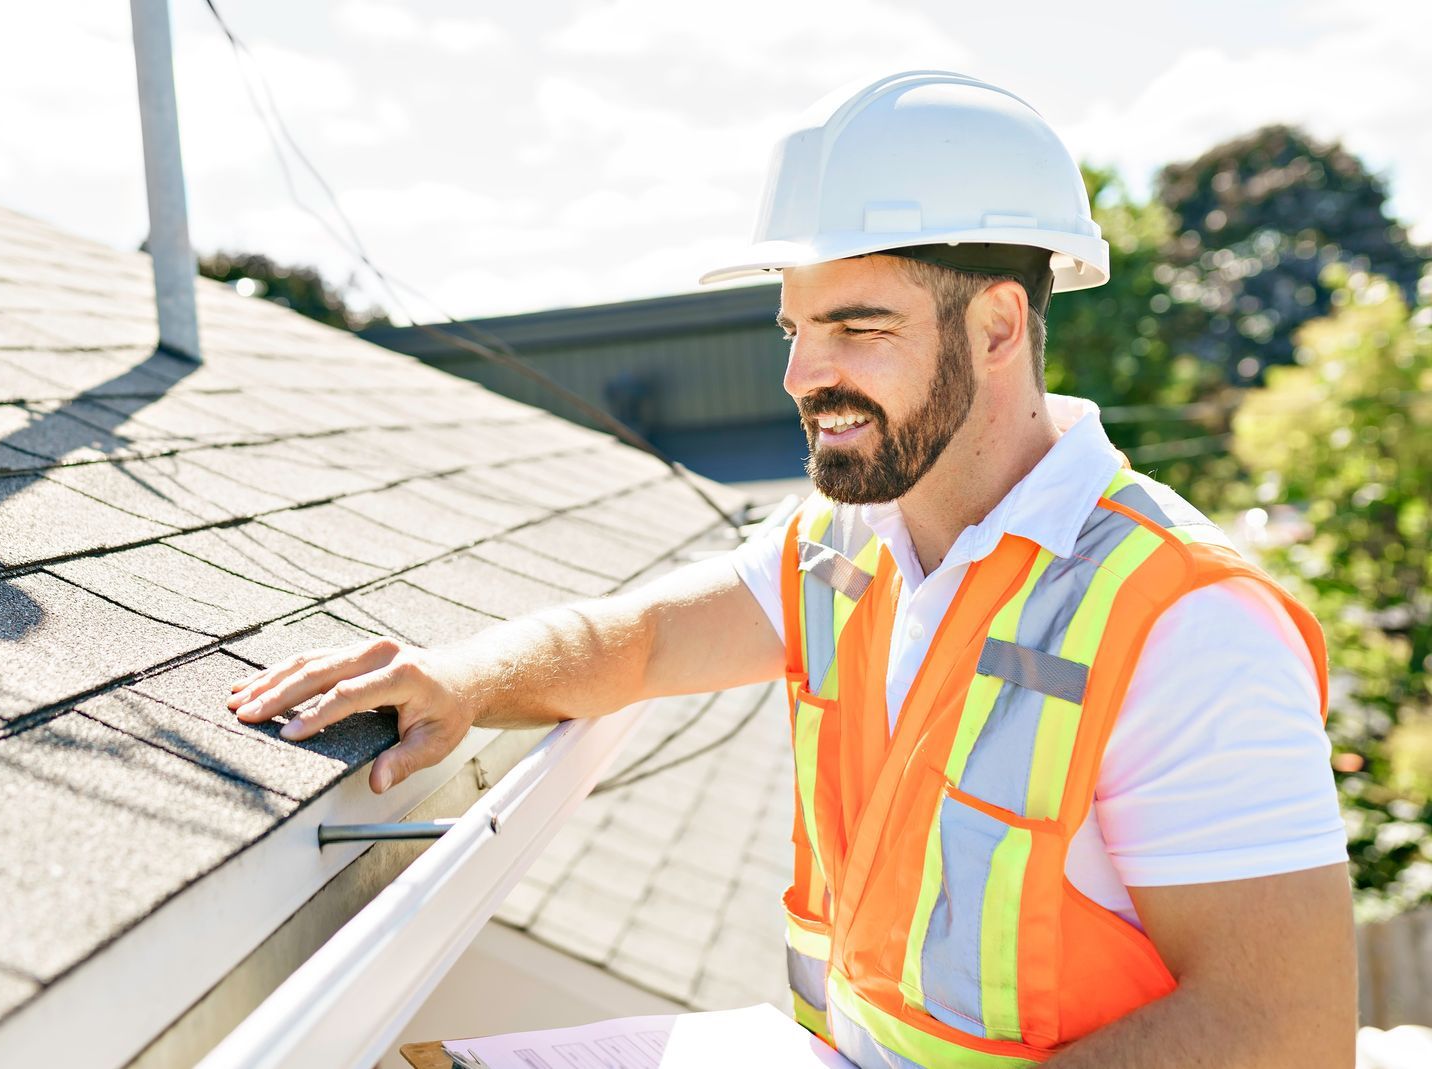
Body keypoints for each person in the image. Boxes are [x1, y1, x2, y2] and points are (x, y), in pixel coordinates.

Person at [227, 71, 1354, 1067]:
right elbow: (650, 639)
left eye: (858, 328)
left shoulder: (1185, 621)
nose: (805, 375)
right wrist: (461, 678)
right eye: (793, 329)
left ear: (1001, 326)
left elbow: (1284, 1034)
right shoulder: (846, 539)